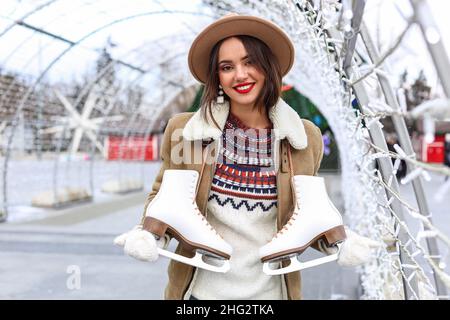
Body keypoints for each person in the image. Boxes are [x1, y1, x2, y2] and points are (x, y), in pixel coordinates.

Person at [116, 13, 380, 300]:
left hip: (271, 293)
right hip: (199, 292)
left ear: (268, 67)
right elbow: (164, 198)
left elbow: (307, 214)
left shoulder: (304, 137)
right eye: (227, 67)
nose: (240, 75)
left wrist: (340, 242)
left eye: (250, 61)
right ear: (216, 77)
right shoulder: (185, 131)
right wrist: (149, 234)